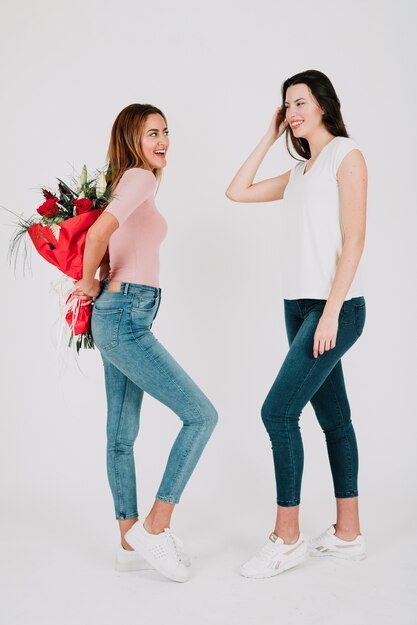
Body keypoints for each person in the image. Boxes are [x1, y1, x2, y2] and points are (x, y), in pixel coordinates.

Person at [226, 69, 367, 579]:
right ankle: (348, 534)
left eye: (301, 102)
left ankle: (287, 538)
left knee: (277, 413)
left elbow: (354, 238)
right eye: (287, 105)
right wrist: (270, 133)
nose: (294, 112)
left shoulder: (345, 156)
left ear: (324, 104)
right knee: (334, 417)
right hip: (297, 307)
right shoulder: (300, 173)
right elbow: (235, 191)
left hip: (335, 308)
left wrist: (331, 311)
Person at [72, 103, 218, 583]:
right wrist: (87, 283)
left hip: (120, 315)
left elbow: (106, 235)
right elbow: (97, 233)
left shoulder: (127, 183)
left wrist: (96, 285)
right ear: (131, 140)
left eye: (166, 132)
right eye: (151, 133)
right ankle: (155, 526)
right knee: (201, 415)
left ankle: (128, 543)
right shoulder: (140, 179)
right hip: (124, 318)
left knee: (121, 435)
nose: (163, 141)